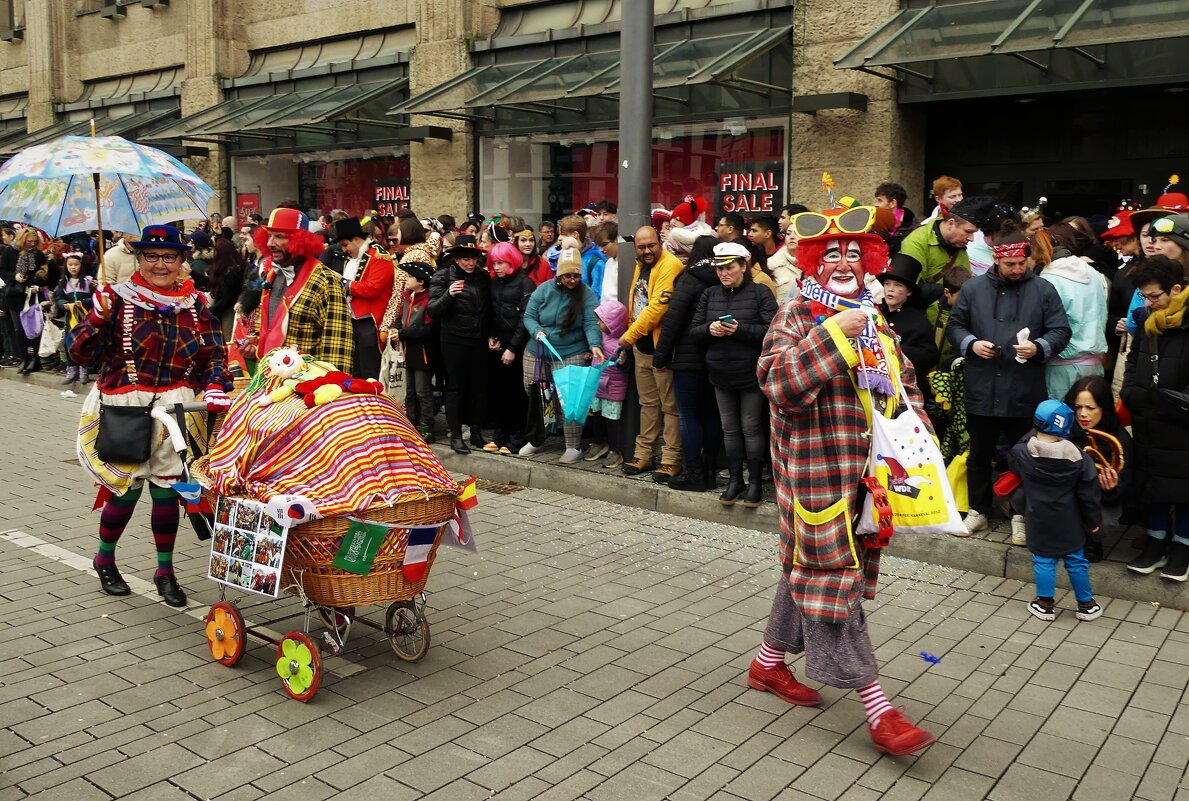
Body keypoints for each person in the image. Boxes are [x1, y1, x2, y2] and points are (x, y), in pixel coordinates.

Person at [751, 204, 936, 757]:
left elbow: (902, 391)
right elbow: (778, 384)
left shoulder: (876, 321)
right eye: (831, 254)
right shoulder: (797, 317)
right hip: (812, 478)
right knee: (833, 583)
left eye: (854, 254)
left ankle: (767, 664)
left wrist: (918, 445)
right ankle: (880, 711)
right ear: (812, 261)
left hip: (866, 478)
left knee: (807, 568)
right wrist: (833, 333)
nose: (844, 263)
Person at [70, 225, 233, 608]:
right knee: (126, 490)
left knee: (166, 492)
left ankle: (165, 571)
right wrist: (95, 318)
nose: (160, 264)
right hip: (125, 403)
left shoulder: (195, 305)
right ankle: (104, 559)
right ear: (139, 258)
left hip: (175, 407)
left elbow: (214, 355)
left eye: (169, 257)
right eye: (151, 256)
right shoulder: (116, 301)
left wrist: (213, 384)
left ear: (181, 261)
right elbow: (78, 354)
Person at [947, 223, 1071, 535]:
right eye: (1009, 264)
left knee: (1026, 456)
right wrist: (971, 344)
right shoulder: (974, 289)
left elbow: (1061, 330)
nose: (1017, 270)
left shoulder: (1043, 289)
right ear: (996, 261)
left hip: (1024, 388)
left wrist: (1039, 347)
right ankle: (978, 510)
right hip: (983, 386)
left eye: (1022, 263)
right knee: (978, 456)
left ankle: (1021, 515)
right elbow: (955, 325)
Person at [689, 241, 778, 507]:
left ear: (743, 266)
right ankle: (735, 480)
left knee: (750, 428)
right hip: (719, 371)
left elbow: (772, 331)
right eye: (720, 269)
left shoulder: (761, 293)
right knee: (729, 430)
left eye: (729, 267)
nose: (723, 273)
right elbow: (694, 330)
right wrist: (709, 330)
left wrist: (740, 330)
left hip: (750, 373)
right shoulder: (710, 294)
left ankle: (754, 484)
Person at [1121, 257, 1189, 580]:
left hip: (1181, 421)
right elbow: (1133, 363)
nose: (1148, 303)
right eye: (1145, 297)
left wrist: (1170, 403)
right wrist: (1131, 394)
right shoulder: (1147, 322)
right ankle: (1156, 541)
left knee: (1185, 487)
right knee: (1153, 484)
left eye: (1154, 296)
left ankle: (1182, 547)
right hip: (1148, 418)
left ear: (1176, 289)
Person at [1009, 399, 1103, 621]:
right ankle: (1086, 604)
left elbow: (1013, 463)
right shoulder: (1080, 458)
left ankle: (1045, 604)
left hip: (1038, 519)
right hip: (1070, 520)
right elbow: (1089, 494)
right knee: (1076, 561)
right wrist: (1093, 520)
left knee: (1043, 560)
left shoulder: (1023, 452)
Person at [519, 239, 604, 463]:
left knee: (570, 398)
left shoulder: (585, 294)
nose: (572, 280)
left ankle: (573, 446)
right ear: (559, 274)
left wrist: (595, 344)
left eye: (576, 275)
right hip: (538, 349)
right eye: (568, 275)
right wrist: (536, 331)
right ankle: (537, 440)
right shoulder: (544, 289)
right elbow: (529, 316)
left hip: (571, 350)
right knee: (537, 396)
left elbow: (591, 322)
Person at [653, 236, 722, 492]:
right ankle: (711, 471)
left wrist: (660, 357)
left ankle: (693, 473)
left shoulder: (689, 278)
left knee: (690, 417)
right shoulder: (722, 277)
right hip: (715, 358)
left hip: (687, 358)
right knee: (712, 416)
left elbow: (673, 321)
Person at [618, 226, 686, 481]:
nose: (647, 251)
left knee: (670, 407)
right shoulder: (641, 264)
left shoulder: (670, 265)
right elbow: (637, 302)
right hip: (642, 347)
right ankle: (644, 454)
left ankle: (670, 459)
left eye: (651, 246)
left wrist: (628, 337)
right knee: (648, 404)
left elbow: (657, 307)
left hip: (662, 349)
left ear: (660, 243)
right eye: (641, 247)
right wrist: (632, 340)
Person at [254, 208, 354, 371]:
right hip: (268, 381)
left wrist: (329, 389)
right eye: (270, 236)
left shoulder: (325, 281)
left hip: (305, 387)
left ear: (299, 240)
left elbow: (338, 348)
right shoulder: (273, 274)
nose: (270, 243)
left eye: (279, 237)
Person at [428, 235, 491, 454]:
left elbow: (488, 310)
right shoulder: (443, 277)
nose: (470, 263)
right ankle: (456, 435)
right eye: (465, 258)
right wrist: (448, 295)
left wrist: (491, 335)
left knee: (479, 388)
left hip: (478, 339)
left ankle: (476, 432)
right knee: (455, 387)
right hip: (453, 339)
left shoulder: (483, 277)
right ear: (455, 259)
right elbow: (433, 310)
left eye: (473, 258)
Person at [1064, 375, 1136, 547]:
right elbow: (1020, 452)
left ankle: (1091, 540)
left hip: (1097, 499)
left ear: (1104, 408)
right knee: (1022, 496)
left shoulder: (1119, 440)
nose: (1083, 414)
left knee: (1103, 522)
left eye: (1090, 408)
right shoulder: (1060, 425)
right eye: (1078, 407)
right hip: (1062, 492)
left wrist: (1110, 490)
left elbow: (1123, 492)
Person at [1039, 223, 1108, 400]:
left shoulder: (1049, 277)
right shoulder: (1094, 273)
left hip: (1060, 367)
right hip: (1093, 365)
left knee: (1059, 424)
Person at [486, 241, 535, 454]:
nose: (497, 267)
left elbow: (525, 319)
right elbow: (492, 313)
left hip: (519, 345)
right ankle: (500, 436)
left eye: (501, 263)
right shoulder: (494, 283)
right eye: (494, 263)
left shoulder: (525, 284)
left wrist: (513, 348)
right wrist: (491, 337)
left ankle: (516, 439)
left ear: (511, 262)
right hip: (499, 343)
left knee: (517, 394)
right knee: (499, 393)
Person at [333, 217, 396, 380]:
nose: (344, 249)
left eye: (345, 244)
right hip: (352, 321)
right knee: (354, 372)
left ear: (356, 240)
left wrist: (344, 284)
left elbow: (372, 289)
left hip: (371, 323)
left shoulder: (379, 257)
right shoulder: (350, 259)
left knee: (370, 372)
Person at [393, 257, 437, 443]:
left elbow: (427, 329)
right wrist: (396, 328)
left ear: (421, 281)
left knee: (422, 390)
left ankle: (427, 426)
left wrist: (402, 334)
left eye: (410, 277)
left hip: (423, 353)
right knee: (409, 389)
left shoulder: (428, 301)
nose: (406, 280)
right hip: (408, 351)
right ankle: (411, 422)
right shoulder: (408, 297)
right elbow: (400, 318)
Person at [892, 198, 981, 287]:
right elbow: (912, 289)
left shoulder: (958, 244)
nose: (971, 238)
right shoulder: (916, 242)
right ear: (951, 224)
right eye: (968, 231)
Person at [585, 299, 630, 468]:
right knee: (597, 415)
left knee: (612, 420)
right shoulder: (601, 337)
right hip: (597, 384)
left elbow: (627, 368)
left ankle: (616, 450)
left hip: (613, 387)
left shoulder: (623, 342)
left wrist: (623, 362)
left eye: (602, 321)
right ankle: (599, 442)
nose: (599, 324)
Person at [877, 261, 938, 380]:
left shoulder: (919, 321)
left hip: (905, 382)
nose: (890, 289)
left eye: (898, 285)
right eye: (887, 284)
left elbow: (930, 357)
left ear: (909, 291)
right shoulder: (874, 312)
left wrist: (896, 349)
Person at [3, 228, 48, 374]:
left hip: (32, 295)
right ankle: (24, 359)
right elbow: (2, 270)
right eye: (29, 241)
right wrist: (14, 277)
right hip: (15, 295)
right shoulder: (10, 251)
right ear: (23, 240)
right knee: (19, 330)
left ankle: (35, 359)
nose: (32, 244)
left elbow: (45, 274)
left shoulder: (39, 255)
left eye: (35, 241)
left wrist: (39, 283)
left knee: (34, 329)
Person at [544, 215, 607, 301]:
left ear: (575, 235)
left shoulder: (595, 263)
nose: (559, 238)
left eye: (563, 235)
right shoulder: (562, 258)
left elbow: (597, 298)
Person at [53, 252, 94, 384]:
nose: (73, 267)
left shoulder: (88, 281)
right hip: (70, 317)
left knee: (84, 343)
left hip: (85, 317)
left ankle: (84, 370)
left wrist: (84, 302)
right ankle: (71, 369)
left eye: (76, 265)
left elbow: (95, 297)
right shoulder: (63, 282)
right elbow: (58, 298)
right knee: (68, 342)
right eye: (70, 265)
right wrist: (63, 304)